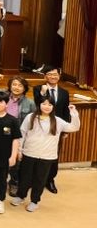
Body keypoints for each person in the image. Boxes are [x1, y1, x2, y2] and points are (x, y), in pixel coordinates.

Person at [11, 97, 80, 212]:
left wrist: (74, 113)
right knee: (25, 177)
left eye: (49, 105)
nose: (46, 107)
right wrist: (19, 150)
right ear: (39, 105)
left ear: (53, 107)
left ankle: (34, 201)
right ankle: (20, 196)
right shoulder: (30, 117)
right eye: (44, 104)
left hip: (47, 156)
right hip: (29, 153)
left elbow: (74, 127)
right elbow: (22, 133)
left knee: (40, 179)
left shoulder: (58, 121)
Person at [0, 74, 36, 196]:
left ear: (24, 88)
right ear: (10, 86)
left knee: (15, 162)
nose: (16, 87)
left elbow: (33, 120)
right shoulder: (3, 95)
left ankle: (13, 183)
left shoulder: (30, 103)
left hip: (17, 134)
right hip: (0, 132)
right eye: (14, 84)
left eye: (20, 85)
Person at [32, 65, 71, 194]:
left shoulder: (64, 92)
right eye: (50, 74)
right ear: (45, 76)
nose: (53, 77)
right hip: (41, 126)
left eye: (55, 74)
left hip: (56, 128)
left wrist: (66, 129)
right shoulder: (38, 89)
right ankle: (36, 179)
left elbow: (65, 111)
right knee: (38, 152)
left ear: (59, 76)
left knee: (54, 155)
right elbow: (37, 104)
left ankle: (50, 180)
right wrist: (43, 93)